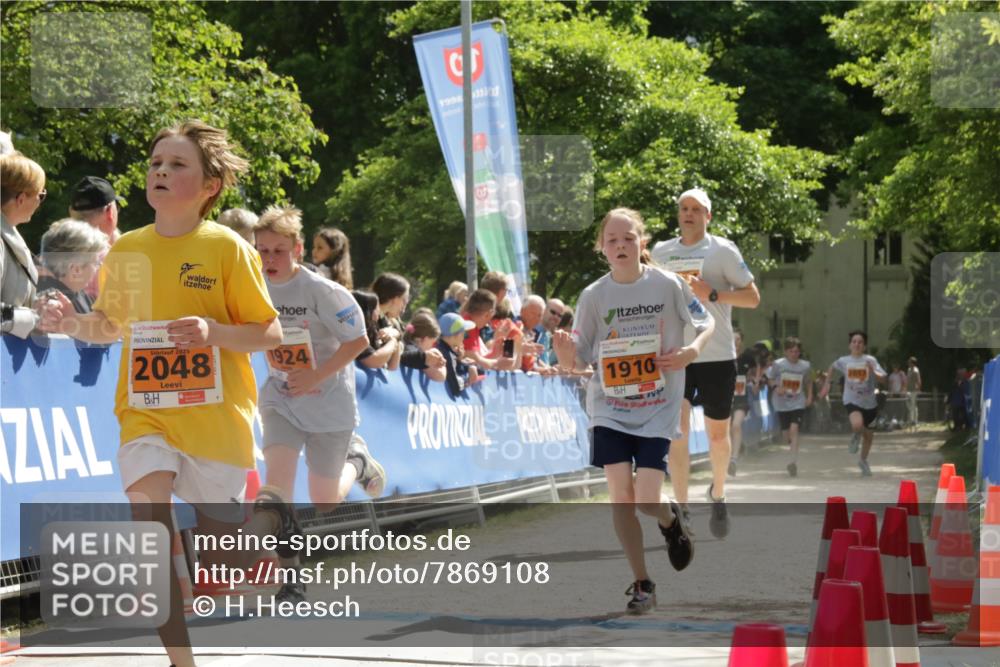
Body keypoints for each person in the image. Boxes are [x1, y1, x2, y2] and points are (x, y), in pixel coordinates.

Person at [39, 120, 296, 667]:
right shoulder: (127, 250)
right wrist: (69, 323)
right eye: (157, 162)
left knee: (222, 563)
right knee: (150, 532)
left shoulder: (227, 248)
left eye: (178, 164)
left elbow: (270, 332)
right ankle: (182, 662)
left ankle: (265, 522)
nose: (161, 171)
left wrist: (212, 332)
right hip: (145, 413)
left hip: (216, 419)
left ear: (210, 186)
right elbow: (109, 325)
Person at [552, 207, 712, 614]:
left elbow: (706, 321)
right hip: (610, 406)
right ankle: (643, 583)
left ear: (642, 243)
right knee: (621, 498)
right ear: (601, 248)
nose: (620, 246)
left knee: (645, 499)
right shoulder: (593, 296)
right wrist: (566, 355)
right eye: (612, 240)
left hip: (658, 406)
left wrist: (691, 351)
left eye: (628, 239)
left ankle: (670, 518)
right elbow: (578, 360)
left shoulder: (668, 284)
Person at [254, 205, 373, 604]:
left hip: (328, 402)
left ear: (298, 249)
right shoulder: (254, 285)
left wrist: (316, 375)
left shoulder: (323, 291)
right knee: (277, 489)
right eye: (263, 250)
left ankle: (357, 462)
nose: (270, 259)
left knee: (323, 500)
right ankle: (291, 578)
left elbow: (359, 342)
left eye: (279, 251)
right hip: (281, 398)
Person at [651, 188, 760, 539]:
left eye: (696, 209)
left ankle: (719, 493)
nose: (688, 214)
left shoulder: (723, 250)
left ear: (708, 216)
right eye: (684, 208)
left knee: (717, 436)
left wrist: (712, 294)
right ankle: (682, 511)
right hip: (677, 354)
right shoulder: (661, 253)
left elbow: (753, 298)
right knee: (678, 433)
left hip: (716, 354)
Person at [819, 330, 887, 477]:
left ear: (864, 346)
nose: (857, 344)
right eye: (854, 342)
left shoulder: (870, 360)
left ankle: (863, 461)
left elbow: (883, 378)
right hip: (851, 399)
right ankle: (856, 433)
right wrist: (827, 384)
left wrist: (873, 371)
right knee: (857, 424)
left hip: (870, 403)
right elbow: (832, 367)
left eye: (860, 342)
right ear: (850, 345)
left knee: (869, 437)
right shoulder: (844, 361)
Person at [1, 152, 45, 338]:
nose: (40, 203)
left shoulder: (9, 234)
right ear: (21, 199)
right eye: (41, 195)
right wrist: (34, 318)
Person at [38, 219, 109, 313]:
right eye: (96, 263)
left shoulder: (77, 293)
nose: (99, 267)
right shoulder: (53, 308)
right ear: (76, 270)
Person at [766, 337, 813, 477]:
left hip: (798, 402)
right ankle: (792, 445)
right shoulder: (778, 364)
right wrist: (776, 387)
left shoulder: (805, 366)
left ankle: (793, 463)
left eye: (797, 351)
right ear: (786, 352)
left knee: (794, 429)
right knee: (786, 435)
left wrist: (809, 396)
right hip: (781, 403)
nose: (794, 354)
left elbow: (808, 382)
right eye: (791, 351)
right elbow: (770, 379)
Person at [460, 288, 515, 372]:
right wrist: (498, 362)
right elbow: (475, 361)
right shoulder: (468, 326)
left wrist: (495, 352)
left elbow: (480, 360)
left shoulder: (472, 325)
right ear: (488, 314)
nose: (489, 322)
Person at [728, 329, 758, 476]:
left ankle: (733, 460)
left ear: (741, 341)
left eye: (738, 339)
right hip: (725, 398)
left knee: (736, 425)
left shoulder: (747, 358)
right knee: (727, 430)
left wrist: (755, 381)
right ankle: (733, 452)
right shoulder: (723, 357)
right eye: (732, 339)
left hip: (741, 398)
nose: (735, 342)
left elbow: (755, 370)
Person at [351, 289, 402, 371]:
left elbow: (392, 366)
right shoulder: (354, 333)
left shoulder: (374, 331)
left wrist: (395, 338)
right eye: (377, 307)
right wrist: (393, 342)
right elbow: (374, 360)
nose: (379, 310)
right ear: (368, 311)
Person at [68, 176, 123, 245]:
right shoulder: (131, 247)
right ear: (110, 211)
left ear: (71, 212)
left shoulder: (57, 246)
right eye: (117, 207)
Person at [436, 312, 480, 396]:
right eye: (464, 333)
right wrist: (468, 379)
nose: (464, 337)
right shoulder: (447, 355)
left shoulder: (442, 348)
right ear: (456, 335)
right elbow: (456, 387)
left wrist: (462, 362)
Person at [400, 310, 447, 380]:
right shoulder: (416, 354)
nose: (431, 346)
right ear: (424, 339)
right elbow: (440, 376)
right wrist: (439, 360)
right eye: (432, 342)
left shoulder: (408, 345)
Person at [371, 272, 410, 338]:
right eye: (404, 300)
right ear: (394, 298)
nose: (404, 306)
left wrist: (395, 333)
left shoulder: (383, 317)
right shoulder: (369, 320)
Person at [906, 356, 922, 427]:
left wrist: (918, 389)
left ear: (913, 363)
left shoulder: (916, 370)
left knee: (913, 405)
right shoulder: (909, 370)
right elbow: (907, 380)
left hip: (914, 390)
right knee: (908, 404)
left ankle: (914, 421)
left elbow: (919, 380)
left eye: (909, 362)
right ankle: (911, 419)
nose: (908, 363)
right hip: (909, 390)